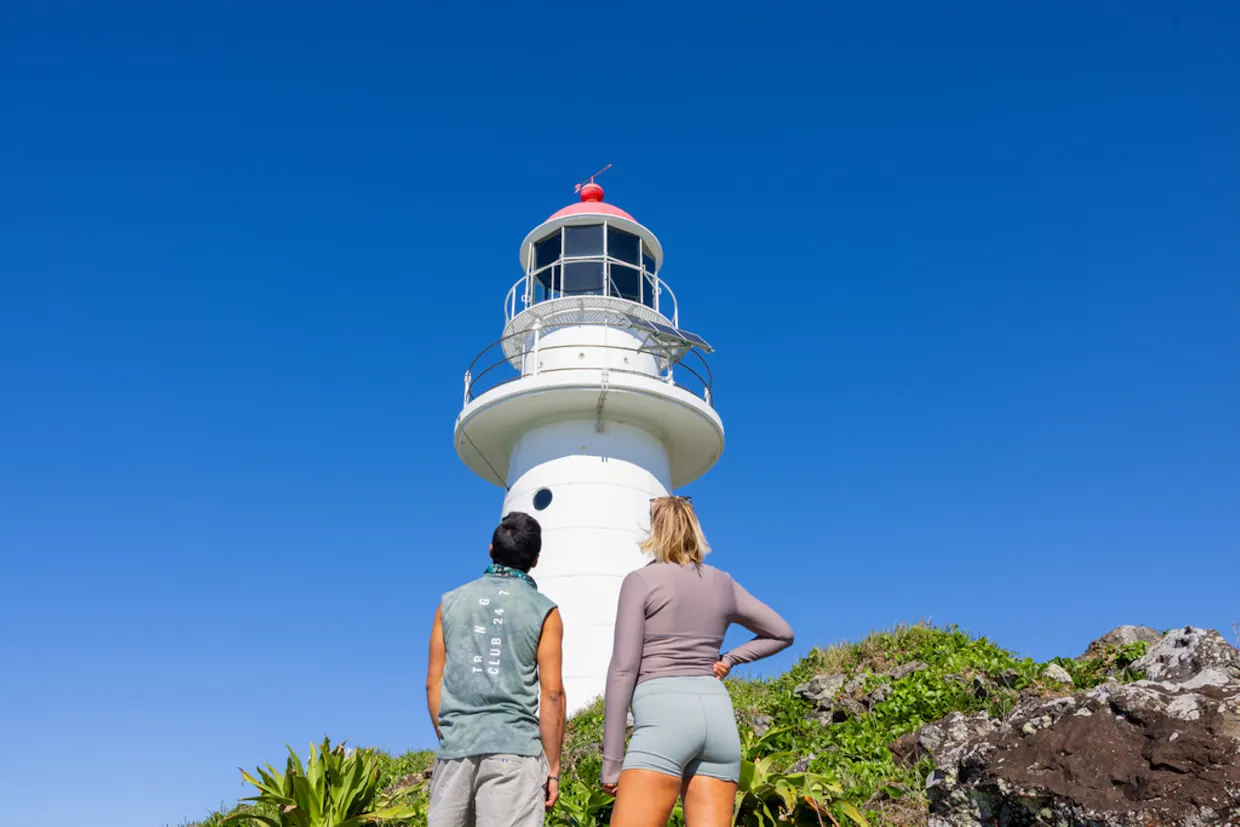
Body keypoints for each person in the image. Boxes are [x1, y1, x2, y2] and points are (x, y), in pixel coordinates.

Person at [602, 496, 794, 827]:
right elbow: (782, 633)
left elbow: (623, 669)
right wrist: (730, 658)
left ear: (655, 532)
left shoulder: (641, 581)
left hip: (664, 717)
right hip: (718, 718)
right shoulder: (723, 582)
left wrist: (612, 761)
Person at [425, 511, 566, 827]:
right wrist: (552, 768)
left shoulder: (449, 603)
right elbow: (552, 694)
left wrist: (451, 736)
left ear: (491, 549)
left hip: (456, 747)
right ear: (536, 560)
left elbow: (433, 684)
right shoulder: (545, 611)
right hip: (514, 750)